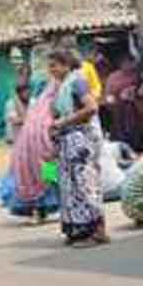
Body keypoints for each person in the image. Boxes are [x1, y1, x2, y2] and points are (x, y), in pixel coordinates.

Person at [48, 48, 109, 248]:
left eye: (54, 65)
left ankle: (97, 231)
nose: (51, 70)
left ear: (66, 64)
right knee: (70, 186)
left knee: (86, 184)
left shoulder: (78, 82)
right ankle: (78, 229)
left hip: (81, 140)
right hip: (68, 141)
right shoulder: (63, 85)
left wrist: (64, 122)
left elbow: (91, 108)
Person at [5, 79, 59, 223]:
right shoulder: (12, 105)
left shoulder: (38, 104)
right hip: (26, 148)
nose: (27, 94)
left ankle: (47, 209)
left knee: (49, 176)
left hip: (45, 147)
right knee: (31, 179)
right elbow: (21, 119)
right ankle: (36, 211)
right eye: (23, 92)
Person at [104, 54, 143, 152]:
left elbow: (142, 90)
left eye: (130, 63)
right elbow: (108, 94)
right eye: (125, 63)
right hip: (118, 106)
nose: (128, 66)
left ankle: (137, 144)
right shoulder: (113, 77)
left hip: (134, 106)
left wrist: (135, 95)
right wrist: (112, 101)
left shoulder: (137, 76)